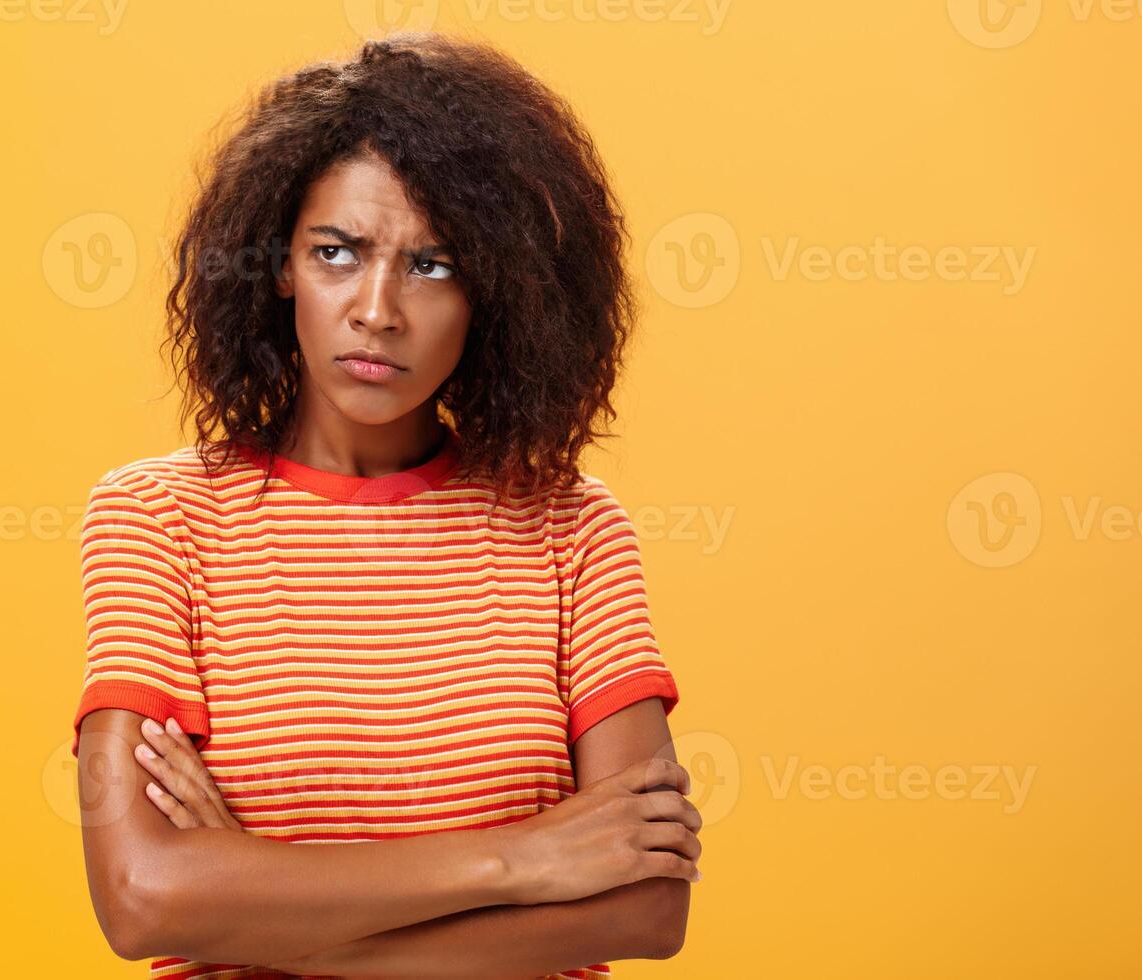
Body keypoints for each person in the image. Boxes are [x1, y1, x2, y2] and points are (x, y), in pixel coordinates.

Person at [70, 34, 700, 979]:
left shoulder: (571, 525)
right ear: (278, 265)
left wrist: (267, 906)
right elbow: (144, 899)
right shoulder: (161, 520)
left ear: (500, 292)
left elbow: (646, 907)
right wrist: (523, 857)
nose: (378, 309)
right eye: (336, 252)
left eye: (434, 265)